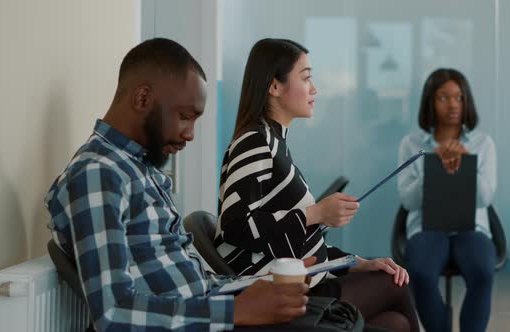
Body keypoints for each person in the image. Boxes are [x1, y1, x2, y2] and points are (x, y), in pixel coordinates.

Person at [44, 38, 322, 332]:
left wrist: (265, 283)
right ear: (142, 99)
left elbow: (194, 285)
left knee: (336, 314)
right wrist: (234, 311)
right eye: (184, 116)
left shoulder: (139, 168)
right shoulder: (98, 174)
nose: (189, 134)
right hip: (210, 321)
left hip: (210, 311)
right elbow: (113, 312)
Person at [215, 38, 419, 332]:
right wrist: (316, 214)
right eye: (306, 78)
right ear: (274, 87)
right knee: (394, 284)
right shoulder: (255, 142)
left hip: (305, 280)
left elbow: (296, 240)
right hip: (281, 291)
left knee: (395, 323)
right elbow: (234, 226)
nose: (314, 89)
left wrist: (359, 262)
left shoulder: (274, 142)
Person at [397, 68, 497, 332]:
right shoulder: (411, 144)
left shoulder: (483, 143)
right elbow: (408, 201)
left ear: (467, 102)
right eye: (443, 98)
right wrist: (434, 167)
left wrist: (467, 166)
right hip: (427, 228)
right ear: (430, 102)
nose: (453, 104)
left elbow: (486, 197)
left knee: (484, 272)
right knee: (419, 273)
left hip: (471, 229)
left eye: (459, 97)